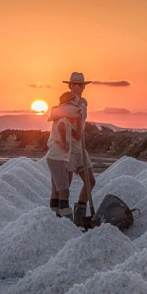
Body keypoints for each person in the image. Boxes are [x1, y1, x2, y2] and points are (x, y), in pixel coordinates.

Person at [63, 72, 97, 225]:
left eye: (81, 84)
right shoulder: (67, 104)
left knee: (90, 181)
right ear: (70, 86)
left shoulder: (84, 102)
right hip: (69, 148)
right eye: (75, 84)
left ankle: (80, 212)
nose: (79, 87)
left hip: (81, 148)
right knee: (66, 186)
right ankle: (63, 217)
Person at [46, 92, 82, 219]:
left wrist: (78, 119)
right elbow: (62, 127)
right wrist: (64, 143)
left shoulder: (63, 118)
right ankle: (66, 219)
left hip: (55, 157)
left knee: (56, 189)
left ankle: (54, 218)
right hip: (58, 157)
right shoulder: (63, 119)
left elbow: (77, 135)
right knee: (64, 189)